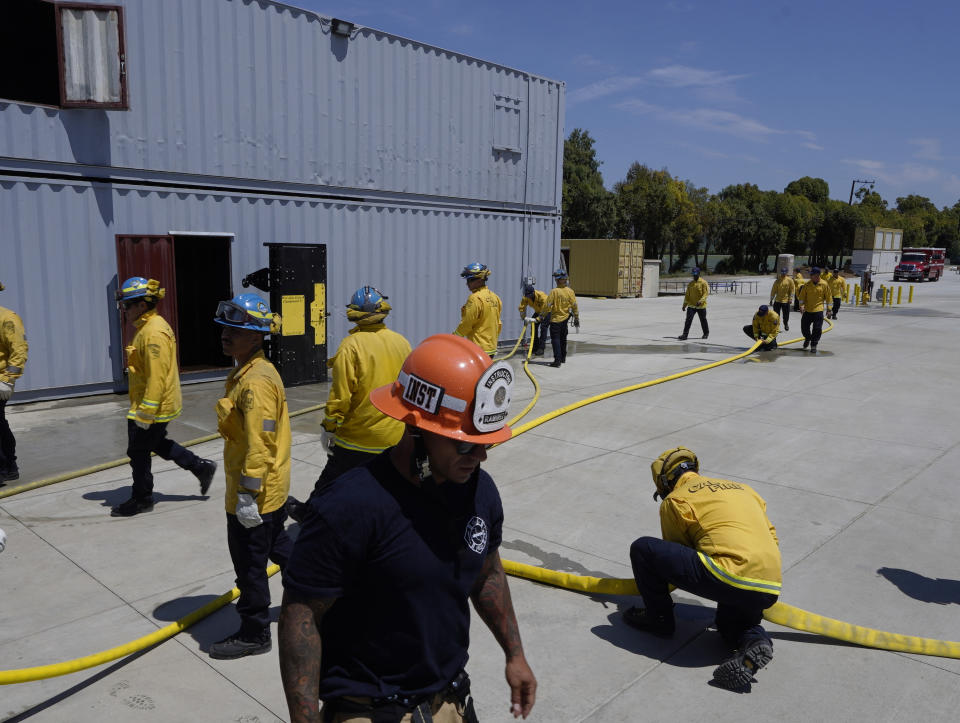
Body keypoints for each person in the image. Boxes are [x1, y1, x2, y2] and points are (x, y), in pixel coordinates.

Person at [278, 334, 537, 723]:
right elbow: (301, 616)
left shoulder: (479, 491)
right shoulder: (349, 507)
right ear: (416, 431)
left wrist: (515, 654)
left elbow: (487, 574)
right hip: (370, 708)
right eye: (465, 445)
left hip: (449, 700)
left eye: (486, 444)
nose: (480, 456)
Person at [624, 447, 781, 692]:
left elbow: (675, 554)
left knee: (644, 549)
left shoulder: (676, 500)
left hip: (726, 574)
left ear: (665, 484)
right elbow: (771, 535)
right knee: (730, 626)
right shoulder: (743, 489)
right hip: (768, 582)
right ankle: (755, 642)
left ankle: (660, 620)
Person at [209, 293, 293, 659]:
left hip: (254, 493)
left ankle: (255, 632)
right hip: (267, 490)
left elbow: (260, 442)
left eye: (235, 329)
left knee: (250, 566)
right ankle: (316, 591)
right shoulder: (249, 370)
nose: (225, 335)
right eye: (224, 328)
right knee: (279, 546)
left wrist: (247, 493)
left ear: (257, 336)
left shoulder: (255, 382)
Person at [286, 286, 411, 523]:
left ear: (353, 313)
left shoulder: (351, 346)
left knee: (331, 480)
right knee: (392, 484)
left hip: (359, 438)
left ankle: (309, 513)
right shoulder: (402, 343)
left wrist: (329, 427)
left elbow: (340, 397)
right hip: (395, 435)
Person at [111, 277, 216, 517]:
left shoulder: (153, 333)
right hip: (149, 404)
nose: (124, 310)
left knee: (138, 453)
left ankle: (142, 499)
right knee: (154, 443)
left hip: (151, 407)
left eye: (127, 305)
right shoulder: (147, 328)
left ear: (141, 305)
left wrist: (145, 413)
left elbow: (157, 377)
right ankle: (200, 467)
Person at [0, 281, 28, 484]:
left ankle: (6, 466)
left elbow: (18, 351)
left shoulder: (7, 319)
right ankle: (9, 465)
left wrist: (8, 381)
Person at [454, 262, 502, 357]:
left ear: (480, 280)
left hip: (478, 348)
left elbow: (467, 323)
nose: (467, 283)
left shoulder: (475, 298)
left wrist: (455, 337)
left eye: (470, 280)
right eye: (467, 280)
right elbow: (498, 323)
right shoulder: (495, 297)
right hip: (491, 348)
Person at [542, 268, 579, 367]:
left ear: (560, 279)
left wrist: (541, 316)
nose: (556, 280)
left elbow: (547, 305)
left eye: (557, 279)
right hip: (565, 320)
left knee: (556, 340)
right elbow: (574, 305)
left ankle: (557, 361)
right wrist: (576, 317)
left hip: (555, 321)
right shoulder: (570, 291)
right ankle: (563, 358)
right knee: (563, 339)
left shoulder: (554, 292)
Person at [797, 267, 832, 354]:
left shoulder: (824, 284)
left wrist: (829, 309)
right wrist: (801, 306)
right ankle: (807, 338)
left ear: (817, 275)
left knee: (817, 329)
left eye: (812, 275)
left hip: (818, 310)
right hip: (808, 310)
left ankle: (814, 345)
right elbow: (801, 297)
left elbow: (829, 298)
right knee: (804, 328)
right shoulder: (807, 285)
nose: (810, 276)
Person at [517, 282, 549, 357]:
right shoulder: (526, 297)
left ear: (533, 292)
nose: (528, 297)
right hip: (538, 311)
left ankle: (541, 348)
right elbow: (522, 307)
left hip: (547, 312)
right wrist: (523, 317)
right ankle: (535, 346)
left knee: (543, 328)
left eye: (530, 295)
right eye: (527, 296)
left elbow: (546, 308)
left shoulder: (542, 296)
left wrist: (539, 318)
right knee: (533, 327)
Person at [678, 267, 709, 341]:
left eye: (696, 274)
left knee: (703, 320)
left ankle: (706, 333)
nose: (694, 275)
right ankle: (685, 335)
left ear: (699, 274)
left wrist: (701, 301)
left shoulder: (703, 282)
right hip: (691, 305)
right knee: (688, 320)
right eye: (693, 274)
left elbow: (706, 294)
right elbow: (687, 295)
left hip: (701, 306)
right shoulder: (690, 284)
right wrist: (684, 305)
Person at [768, 267, 795, 331]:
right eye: (782, 272)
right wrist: (771, 299)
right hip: (777, 301)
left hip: (786, 301)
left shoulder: (790, 280)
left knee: (786, 315)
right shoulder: (777, 281)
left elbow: (792, 290)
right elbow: (773, 291)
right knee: (776, 316)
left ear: (786, 273)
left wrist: (791, 298)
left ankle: (786, 323)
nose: (783, 274)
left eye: (784, 273)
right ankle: (777, 327)